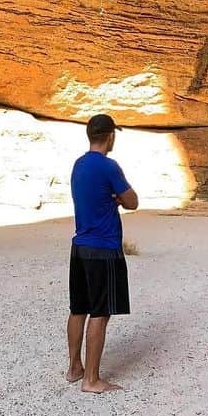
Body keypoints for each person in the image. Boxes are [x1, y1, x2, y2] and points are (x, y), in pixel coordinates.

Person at [66, 113, 138, 394]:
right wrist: (118, 199)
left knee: (78, 309)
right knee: (100, 312)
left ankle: (74, 368)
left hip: (80, 246)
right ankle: (92, 380)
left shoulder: (79, 165)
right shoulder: (109, 167)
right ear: (110, 136)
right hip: (103, 248)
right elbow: (132, 201)